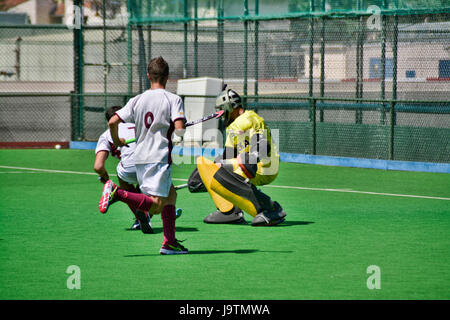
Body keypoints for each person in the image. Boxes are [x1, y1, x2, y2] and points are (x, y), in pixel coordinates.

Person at [98, 56, 188, 255]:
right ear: (167, 76)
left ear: (148, 76)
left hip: (140, 158)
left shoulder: (137, 99)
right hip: (159, 157)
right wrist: (179, 130)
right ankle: (116, 193)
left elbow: (112, 122)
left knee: (171, 194)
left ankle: (170, 243)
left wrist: (116, 140)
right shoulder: (173, 99)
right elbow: (180, 132)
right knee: (155, 206)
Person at [189, 87, 286, 226]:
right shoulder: (232, 127)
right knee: (211, 167)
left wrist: (251, 158)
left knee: (227, 169)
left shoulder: (250, 118)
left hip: (264, 166)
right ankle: (229, 211)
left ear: (230, 106)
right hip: (247, 165)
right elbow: (227, 156)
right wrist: (206, 173)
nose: (221, 115)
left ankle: (271, 209)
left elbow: (262, 142)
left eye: (222, 110)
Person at [94, 106, 153, 234]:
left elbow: (98, 166)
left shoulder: (106, 135)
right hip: (152, 166)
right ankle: (163, 209)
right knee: (153, 187)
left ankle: (140, 218)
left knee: (123, 175)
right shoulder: (140, 126)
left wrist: (105, 177)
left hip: (129, 170)